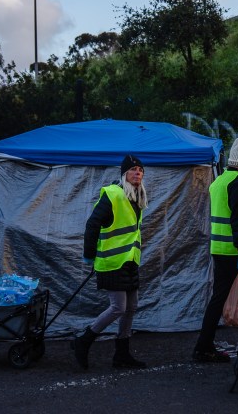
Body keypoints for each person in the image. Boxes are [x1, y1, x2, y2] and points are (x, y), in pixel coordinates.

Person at [71, 154, 148, 370]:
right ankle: (83, 340)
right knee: (118, 308)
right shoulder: (113, 195)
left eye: (141, 170)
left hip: (129, 261)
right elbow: (92, 224)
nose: (138, 173)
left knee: (132, 306)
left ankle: (121, 355)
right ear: (124, 174)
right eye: (133, 170)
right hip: (112, 262)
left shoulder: (136, 197)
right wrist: (89, 254)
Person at [192, 134, 238, 363]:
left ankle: (204, 345)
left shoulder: (219, 181)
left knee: (218, 297)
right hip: (237, 252)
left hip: (220, 248)